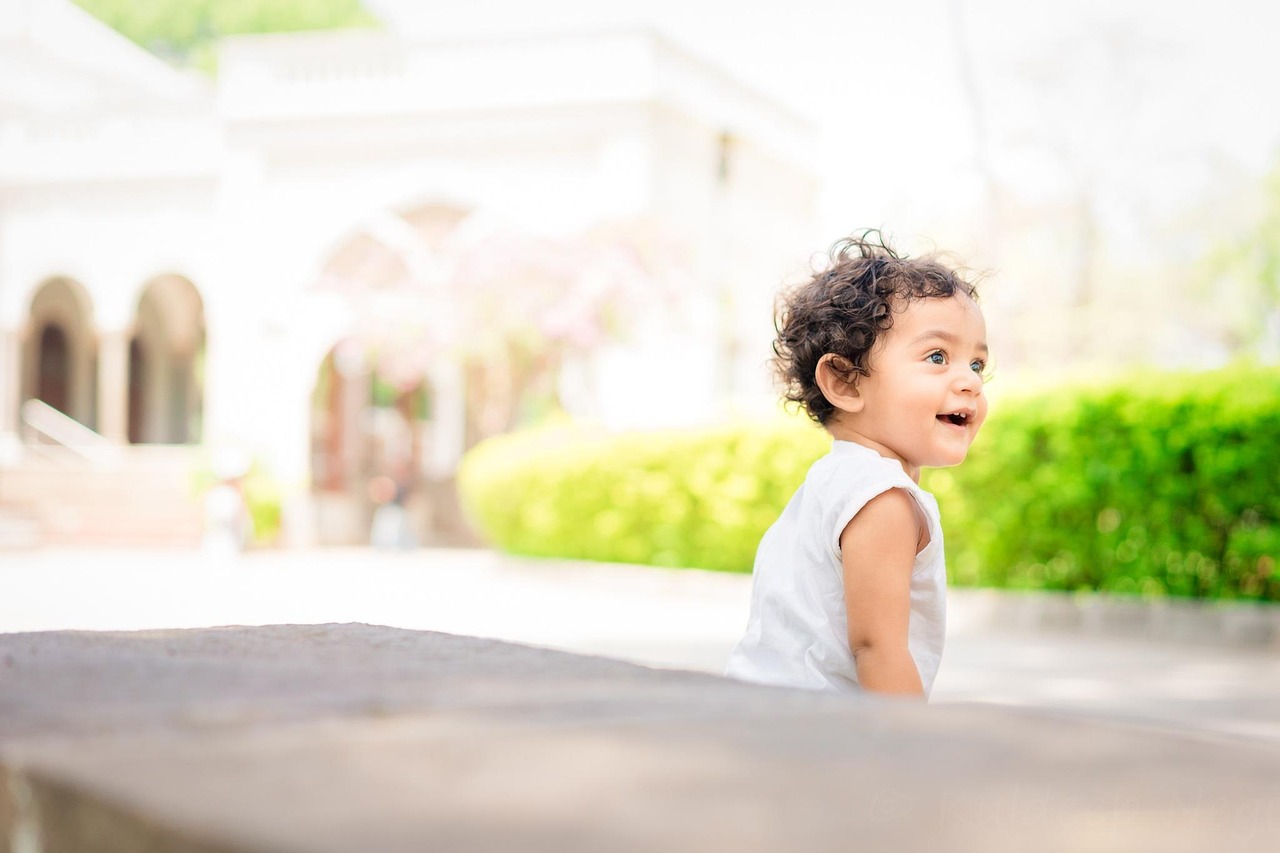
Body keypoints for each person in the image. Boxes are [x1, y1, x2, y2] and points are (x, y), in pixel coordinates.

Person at [724, 230, 989, 699]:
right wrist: (911, 740)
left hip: (759, 708)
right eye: (937, 356)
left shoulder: (829, 483)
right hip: (817, 728)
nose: (970, 382)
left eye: (977, 364)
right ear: (845, 382)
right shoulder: (881, 499)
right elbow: (878, 650)